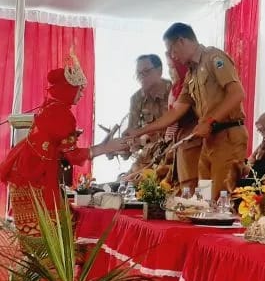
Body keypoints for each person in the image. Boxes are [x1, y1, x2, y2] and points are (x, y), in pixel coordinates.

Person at [0, 53, 126, 235]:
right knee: (50, 232)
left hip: (27, 172)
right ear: (67, 89)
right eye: (79, 90)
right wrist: (107, 148)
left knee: (46, 230)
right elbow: (73, 155)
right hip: (33, 176)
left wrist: (103, 146)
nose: (82, 94)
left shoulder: (53, 107)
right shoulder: (62, 114)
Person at [125, 23, 248, 201]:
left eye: (172, 50)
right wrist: (139, 131)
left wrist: (209, 121)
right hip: (209, 140)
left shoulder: (214, 58)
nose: (173, 56)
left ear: (181, 41)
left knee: (219, 200)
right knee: (203, 199)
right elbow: (176, 111)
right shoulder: (191, 74)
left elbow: (237, 93)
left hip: (228, 136)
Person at [163, 52, 201, 189]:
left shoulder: (191, 88)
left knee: (193, 189)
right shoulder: (175, 89)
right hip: (180, 143)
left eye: (172, 67)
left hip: (194, 144)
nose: (170, 72)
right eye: (168, 67)